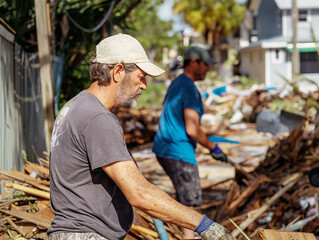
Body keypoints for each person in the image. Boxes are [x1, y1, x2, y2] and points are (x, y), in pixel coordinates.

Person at [48, 34, 235, 240]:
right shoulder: (98, 118)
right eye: (141, 76)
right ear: (118, 71)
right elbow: (138, 193)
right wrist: (203, 224)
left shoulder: (75, 106)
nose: (144, 85)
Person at [152, 45, 228, 238]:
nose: (208, 69)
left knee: (184, 198)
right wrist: (213, 147)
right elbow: (192, 129)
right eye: (206, 65)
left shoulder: (177, 83)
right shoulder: (189, 89)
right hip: (179, 151)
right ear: (194, 63)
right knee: (189, 203)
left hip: (163, 148)